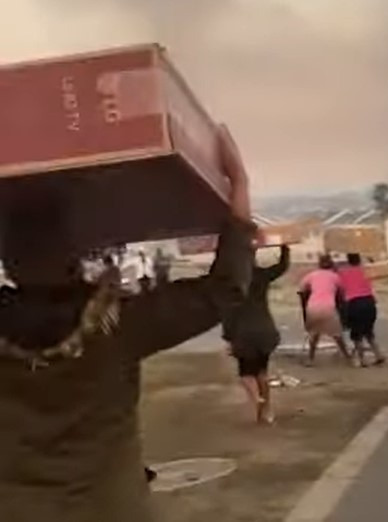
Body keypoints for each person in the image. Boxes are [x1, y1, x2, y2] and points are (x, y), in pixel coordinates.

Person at [0, 124, 256, 522]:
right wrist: (238, 184)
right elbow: (224, 290)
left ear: (8, 259)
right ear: (76, 249)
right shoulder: (120, 323)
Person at [227, 244, 290, 424]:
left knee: (246, 374)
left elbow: (228, 314)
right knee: (262, 371)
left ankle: (257, 400)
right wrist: (285, 248)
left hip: (243, 333)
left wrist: (229, 338)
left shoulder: (233, 282)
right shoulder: (261, 276)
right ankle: (267, 410)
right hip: (264, 329)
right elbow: (281, 267)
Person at [299, 254, 351, 365]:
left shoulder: (312, 275)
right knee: (337, 334)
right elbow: (342, 292)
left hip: (312, 307)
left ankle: (310, 359)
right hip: (328, 307)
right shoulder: (334, 276)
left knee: (314, 335)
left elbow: (302, 288)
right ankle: (347, 357)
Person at [338, 253, 385, 367]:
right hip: (369, 302)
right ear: (359, 260)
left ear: (348, 260)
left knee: (356, 334)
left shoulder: (343, 273)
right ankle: (379, 355)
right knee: (368, 332)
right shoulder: (366, 270)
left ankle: (362, 360)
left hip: (354, 303)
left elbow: (340, 289)